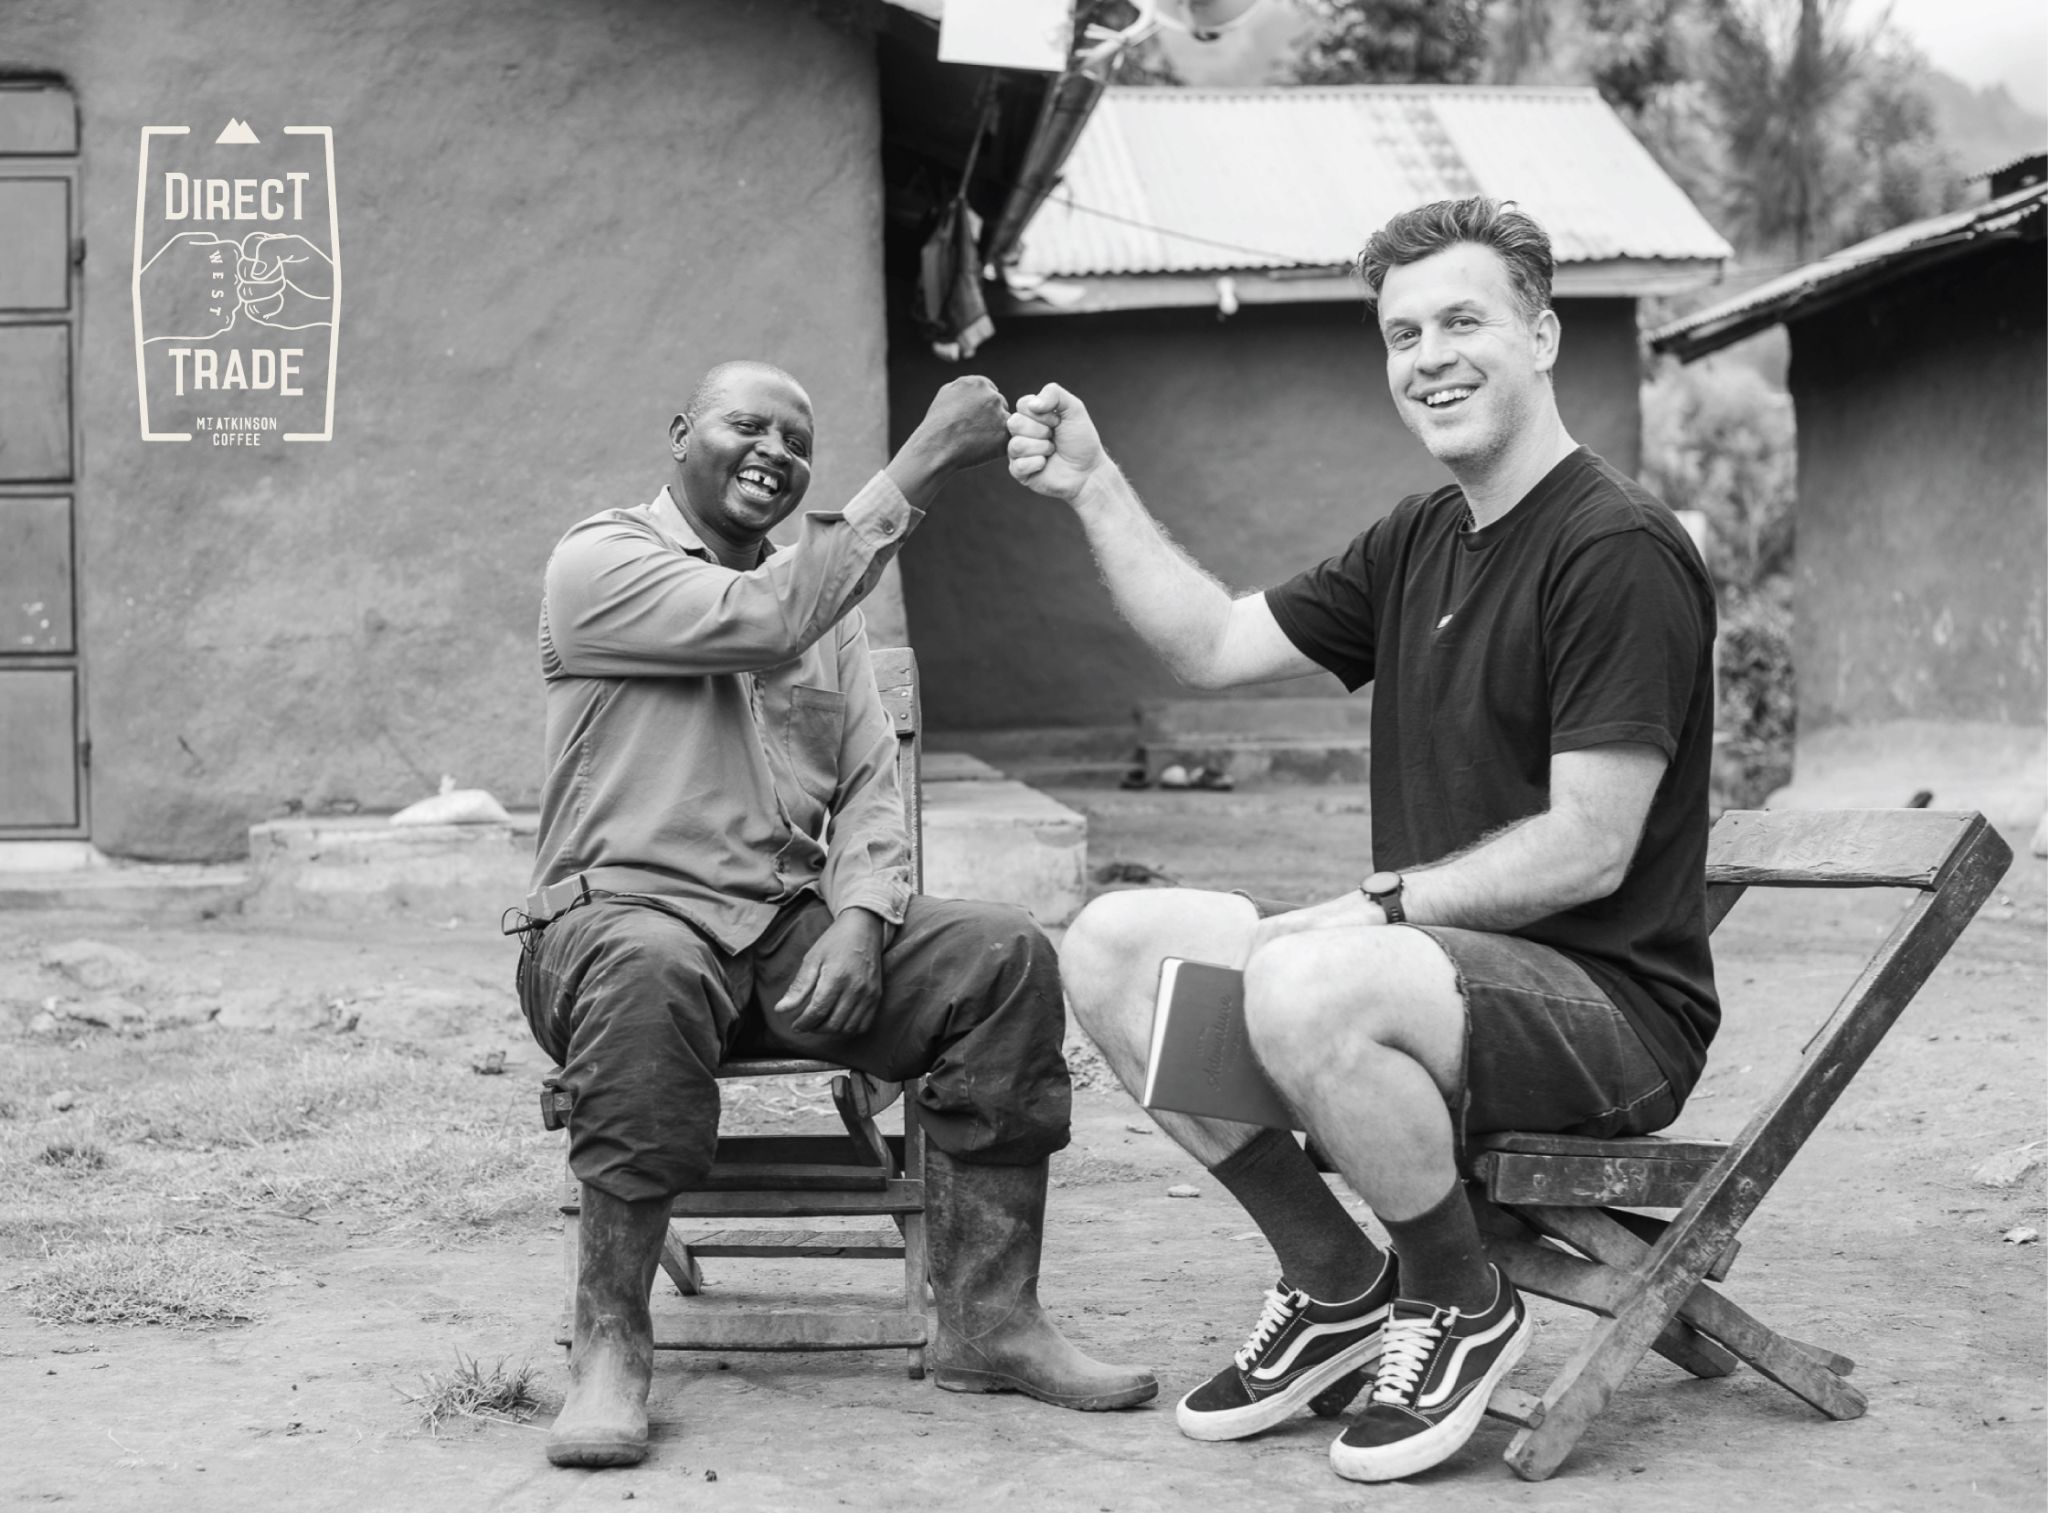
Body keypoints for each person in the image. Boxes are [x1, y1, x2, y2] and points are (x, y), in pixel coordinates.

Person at [1005, 197, 1718, 1484]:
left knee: (1308, 971)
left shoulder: (1613, 548)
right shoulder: (1417, 538)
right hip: (1435, 983)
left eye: (1462, 321)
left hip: (1606, 1017)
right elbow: (1210, 643)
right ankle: (1333, 1278)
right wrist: (1093, 487)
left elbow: (1590, 846)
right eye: (1401, 334)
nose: (1428, 357)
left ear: (1541, 336)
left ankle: (1455, 1295)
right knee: (1113, 944)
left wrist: (1378, 909)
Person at [518, 360, 1157, 1470]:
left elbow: (867, 783)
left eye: (798, 440)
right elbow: (767, 619)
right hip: (612, 923)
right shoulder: (602, 560)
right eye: (747, 425)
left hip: (781, 937)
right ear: (680, 433)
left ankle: (988, 1323)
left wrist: (861, 917)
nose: (775, 451)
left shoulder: (828, 608)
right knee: (650, 962)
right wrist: (927, 455)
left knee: (1000, 955)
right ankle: (611, 1345)